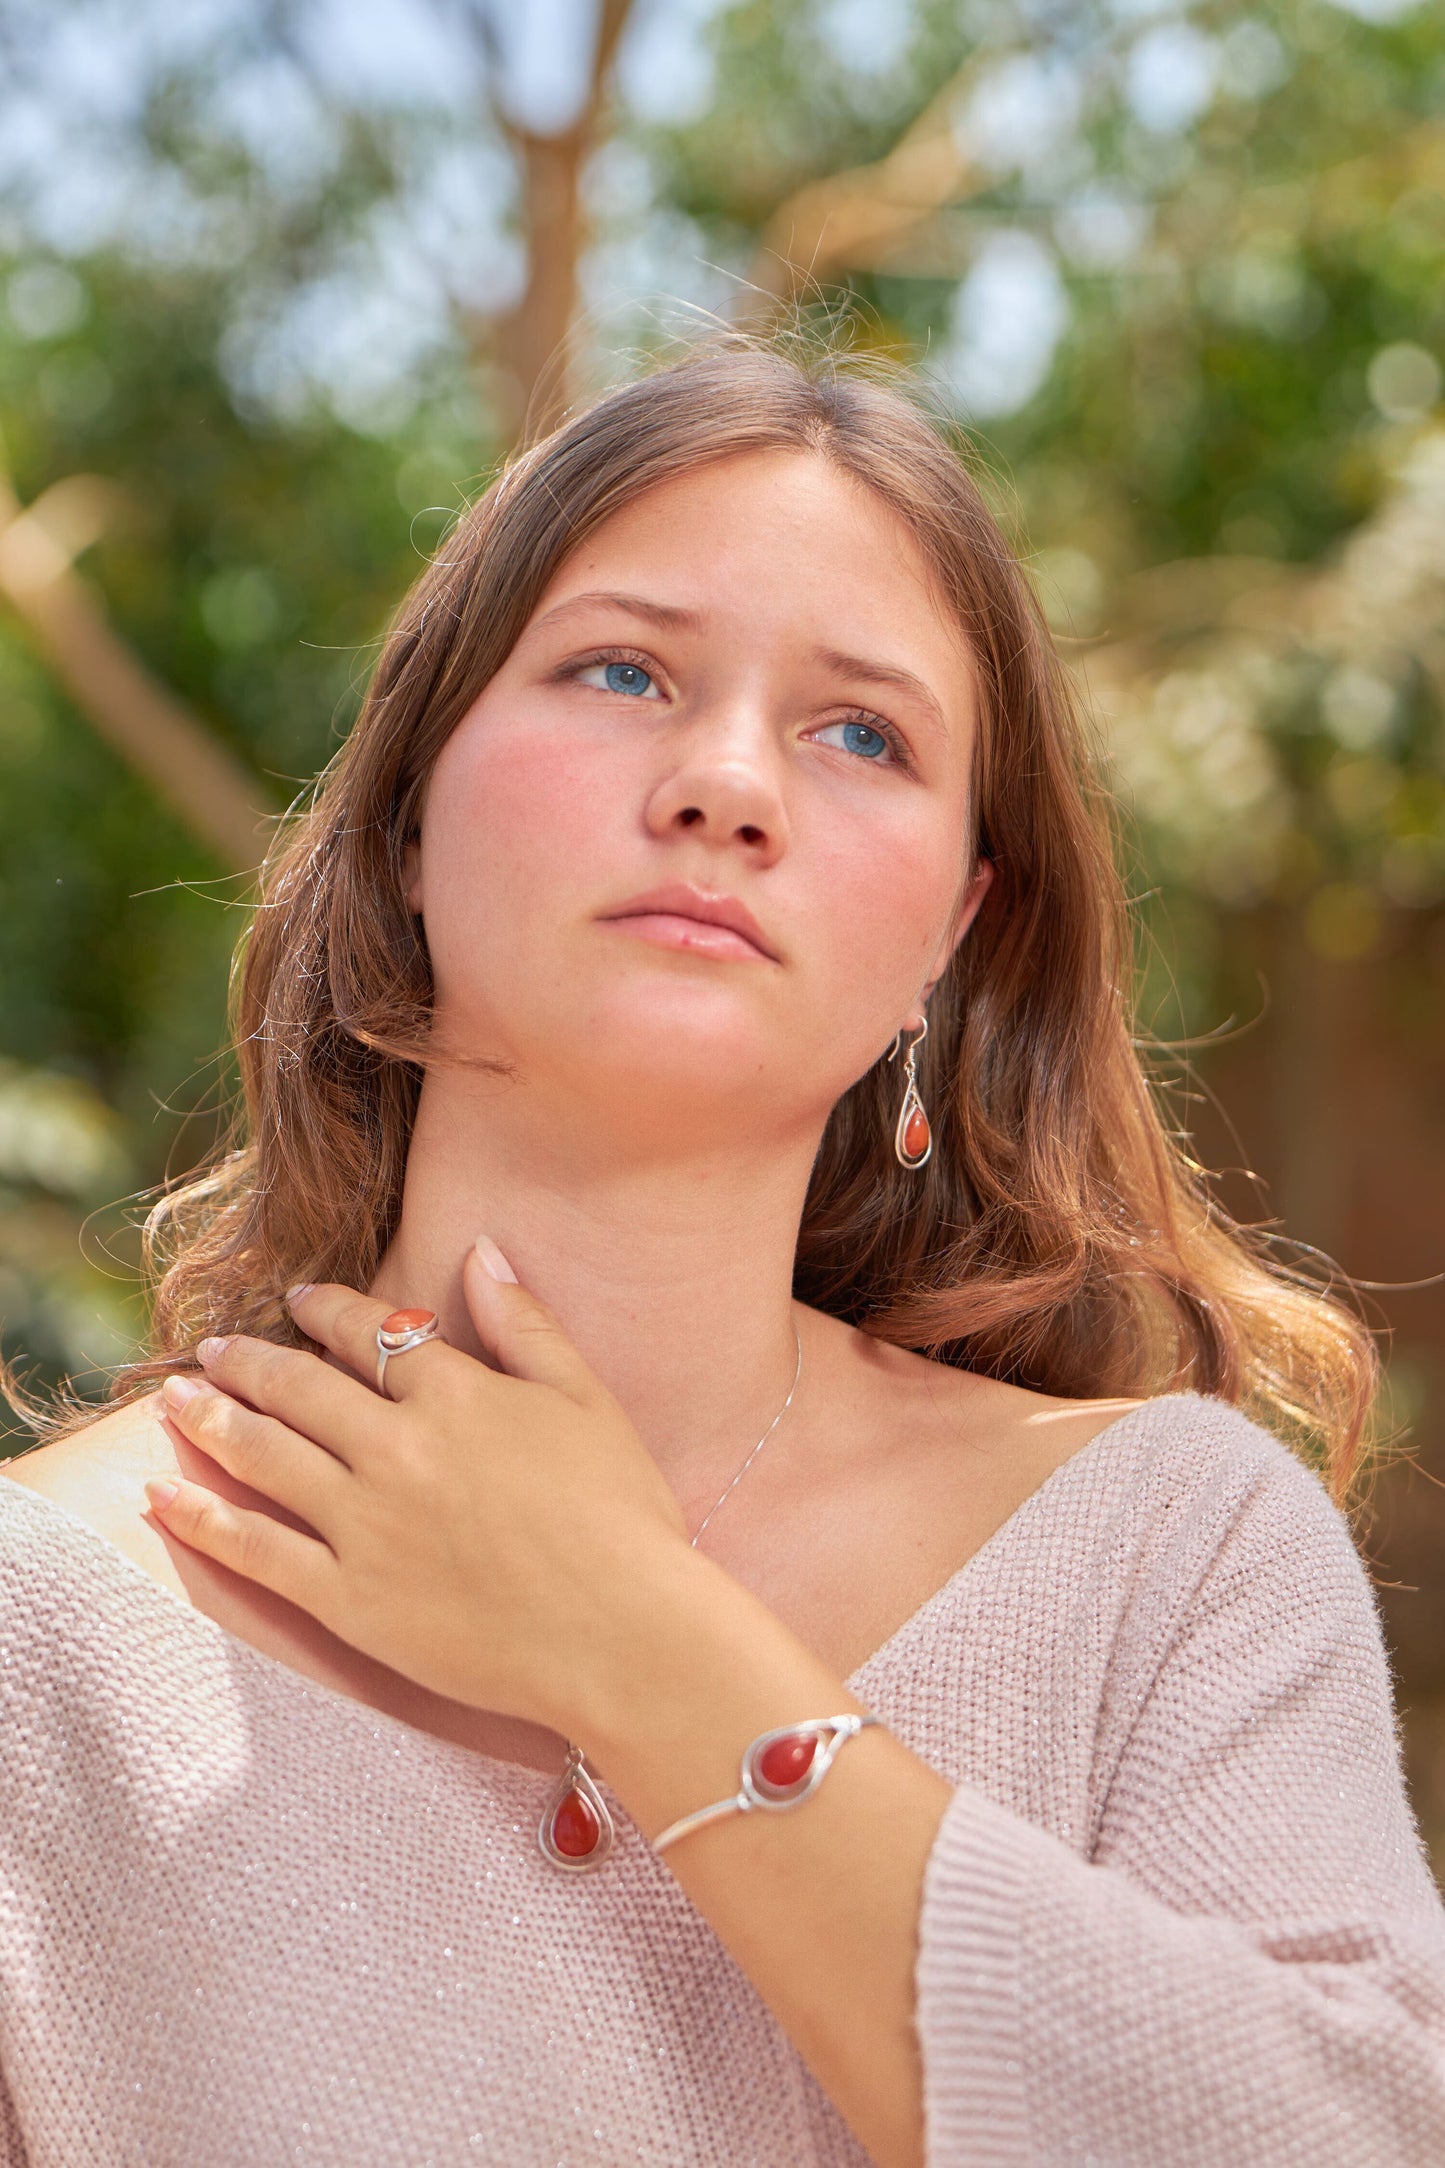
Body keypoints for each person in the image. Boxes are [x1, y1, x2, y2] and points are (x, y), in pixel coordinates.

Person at [2, 333, 1443, 2168]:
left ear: (952, 928)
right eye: (621, 669)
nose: (726, 784)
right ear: (408, 819)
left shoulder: (1172, 1553)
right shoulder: (36, 1643)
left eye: (863, 732)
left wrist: (635, 1640)